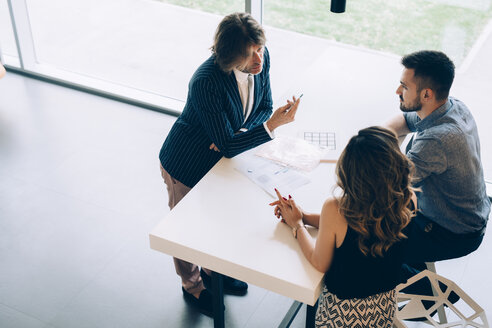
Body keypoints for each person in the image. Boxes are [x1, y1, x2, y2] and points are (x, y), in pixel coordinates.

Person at [158, 12, 301, 316]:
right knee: (186, 229)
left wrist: (238, 134)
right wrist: (267, 127)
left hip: (221, 162)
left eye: (260, 49)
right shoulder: (206, 81)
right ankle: (193, 285)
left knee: (215, 221)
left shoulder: (262, 59)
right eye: (249, 55)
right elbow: (232, 140)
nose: (259, 59)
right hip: (186, 163)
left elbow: (262, 106)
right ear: (229, 55)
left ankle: (213, 274)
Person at [270, 126, 415, 327]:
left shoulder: (336, 208)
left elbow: (319, 262)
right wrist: (303, 216)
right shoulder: (407, 201)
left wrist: (297, 226)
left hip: (341, 315)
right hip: (384, 310)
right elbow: (344, 227)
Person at [385, 50, 490, 288]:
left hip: (453, 232)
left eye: (404, 86)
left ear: (426, 94)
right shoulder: (451, 107)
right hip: (464, 214)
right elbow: (400, 122)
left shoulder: (438, 140)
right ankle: (415, 266)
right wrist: (378, 136)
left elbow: (391, 185)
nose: (397, 91)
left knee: (370, 243)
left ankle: (432, 293)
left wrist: (373, 149)